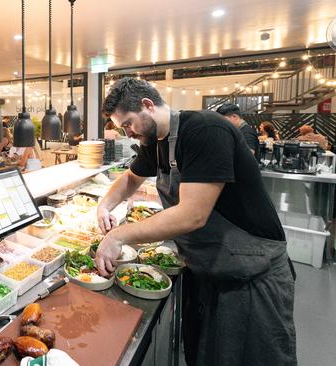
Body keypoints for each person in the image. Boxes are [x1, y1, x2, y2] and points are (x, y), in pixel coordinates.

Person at [95, 78, 296, 366]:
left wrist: (117, 237)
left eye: (128, 124)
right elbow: (130, 178)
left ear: (147, 106)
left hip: (253, 273)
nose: (127, 133)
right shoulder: (157, 142)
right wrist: (105, 206)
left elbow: (193, 214)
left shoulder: (204, 129)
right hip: (209, 266)